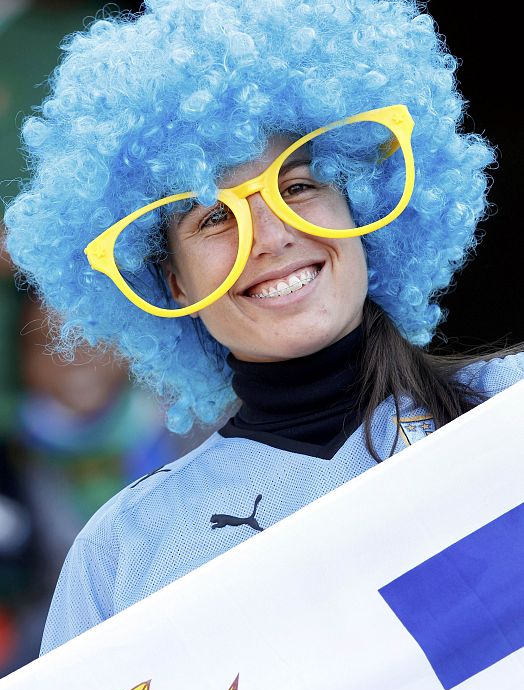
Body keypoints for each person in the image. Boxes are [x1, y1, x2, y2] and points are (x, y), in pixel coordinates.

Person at [4, 0, 523, 656]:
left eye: (300, 186)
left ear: (360, 208)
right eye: (215, 219)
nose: (272, 236)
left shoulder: (512, 408)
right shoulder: (124, 557)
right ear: (173, 285)